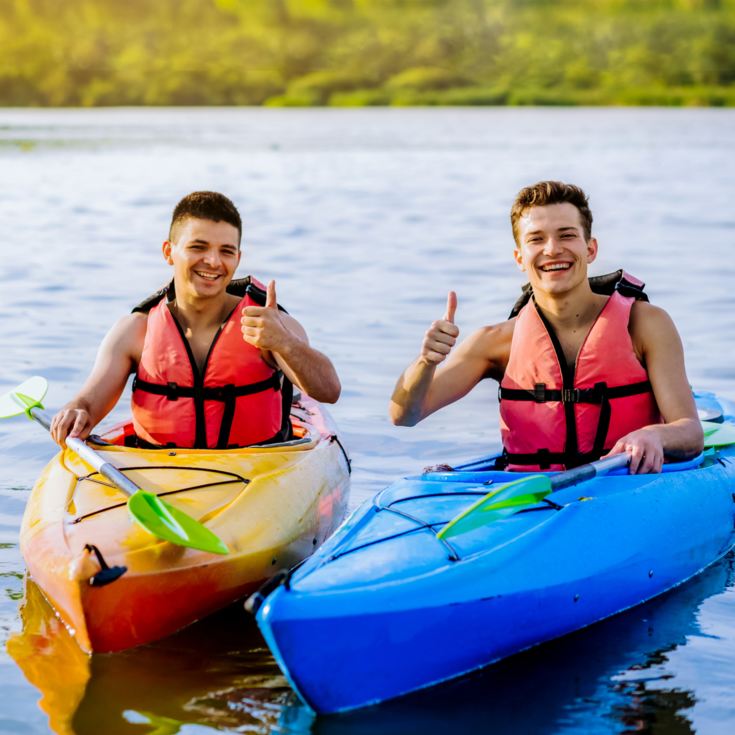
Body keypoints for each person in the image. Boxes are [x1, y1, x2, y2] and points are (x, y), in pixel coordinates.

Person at [389, 181, 703, 474]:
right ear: (519, 257)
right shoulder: (495, 342)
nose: (552, 249)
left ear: (590, 249)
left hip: (624, 486)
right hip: (532, 499)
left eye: (566, 235)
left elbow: (689, 431)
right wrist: (425, 362)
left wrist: (655, 435)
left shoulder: (646, 323)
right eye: (536, 239)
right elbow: (404, 415)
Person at [51, 191, 340, 449]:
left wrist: (286, 344)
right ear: (169, 252)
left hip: (256, 472)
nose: (213, 261)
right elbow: (89, 402)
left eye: (225, 251)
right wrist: (76, 410)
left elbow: (328, 391)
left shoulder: (268, 323)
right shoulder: (135, 330)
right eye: (198, 247)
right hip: (159, 473)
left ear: (238, 259)